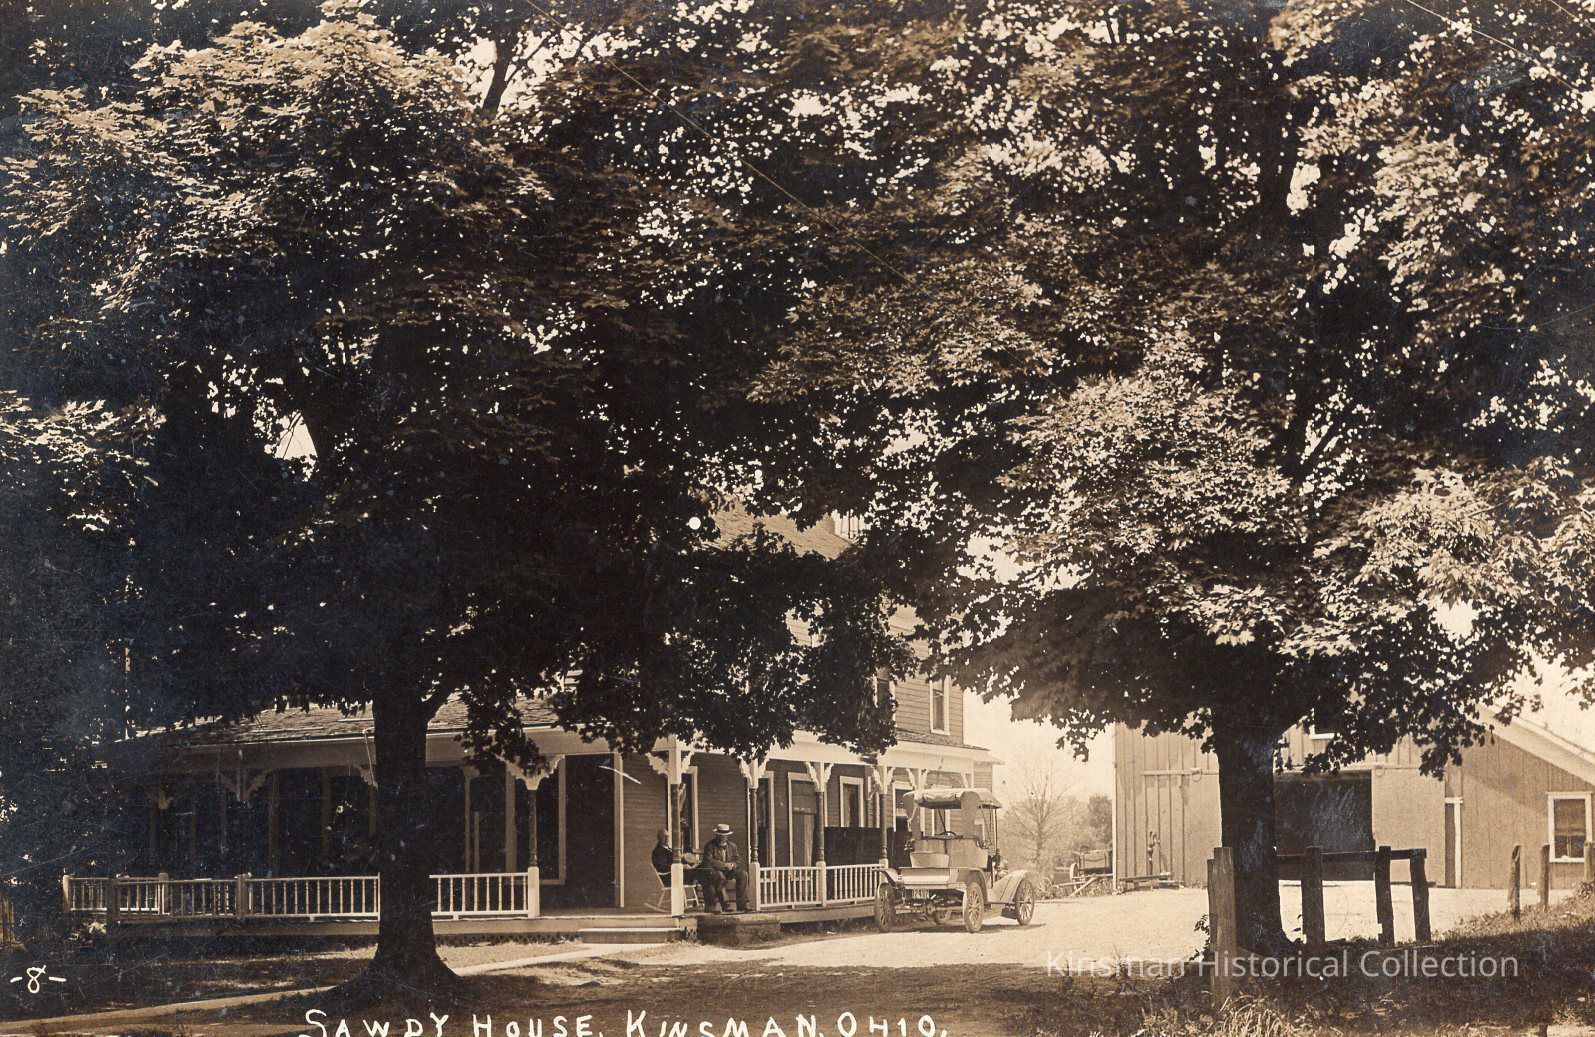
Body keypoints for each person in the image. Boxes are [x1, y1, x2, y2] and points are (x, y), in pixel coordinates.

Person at [652, 828, 723, 907]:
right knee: (706, 872)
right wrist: (682, 866)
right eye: (664, 836)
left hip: (680, 875)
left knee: (705, 873)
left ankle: (712, 901)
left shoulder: (669, 849)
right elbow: (662, 867)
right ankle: (717, 882)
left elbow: (678, 862)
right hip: (671, 878)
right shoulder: (658, 851)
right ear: (658, 838)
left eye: (668, 836)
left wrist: (693, 864)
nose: (667, 838)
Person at [701, 823, 751, 913]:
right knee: (720, 876)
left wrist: (732, 865)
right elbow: (708, 861)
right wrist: (724, 865)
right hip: (714, 872)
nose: (722, 838)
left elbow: (737, 860)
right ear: (716, 835)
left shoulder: (732, 846)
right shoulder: (710, 846)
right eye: (720, 836)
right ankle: (725, 905)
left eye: (724, 836)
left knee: (743, 874)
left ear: (727, 836)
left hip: (728, 872)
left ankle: (742, 905)